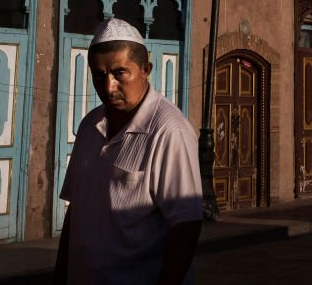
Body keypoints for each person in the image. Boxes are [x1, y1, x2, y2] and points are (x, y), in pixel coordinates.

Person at [54, 17, 203, 284]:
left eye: (120, 73)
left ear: (146, 69)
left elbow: (186, 227)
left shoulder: (169, 131)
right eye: (99, 75)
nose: (108, 87)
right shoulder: (90, 125)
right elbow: (75, 211)